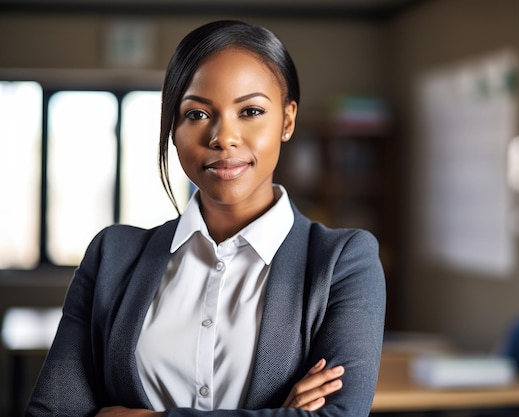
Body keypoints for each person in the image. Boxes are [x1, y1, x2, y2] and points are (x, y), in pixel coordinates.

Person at [26, 20, 386, 417]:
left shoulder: (343, 262)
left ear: (287, 121)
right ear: (173, 129)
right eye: (196, 114)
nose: (223, 137)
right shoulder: (111, 255)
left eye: (250, 111)